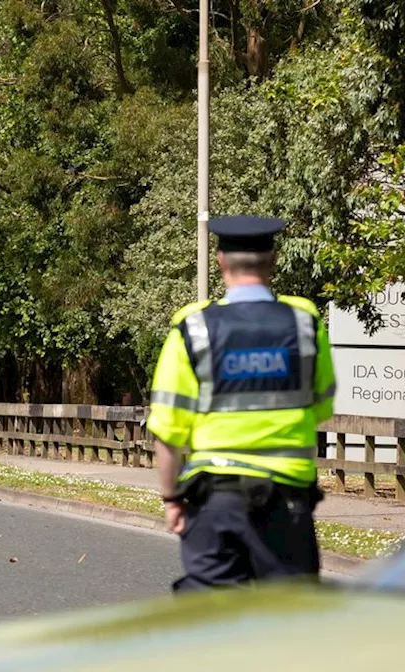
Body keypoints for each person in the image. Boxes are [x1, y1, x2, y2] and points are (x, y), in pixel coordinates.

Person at [148, 215, 337, 592]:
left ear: (220, 262)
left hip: (215, 500)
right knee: (290, 620)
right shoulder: (304, 322)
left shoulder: (193, 326)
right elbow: (322, 405)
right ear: (274, 261)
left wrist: (171, 499)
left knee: (209, 622)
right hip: (287, 503)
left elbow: (167, 430)